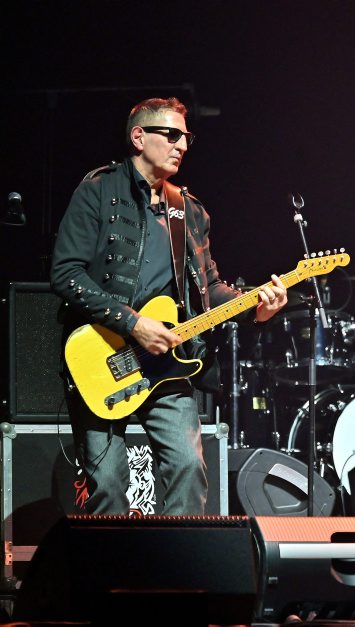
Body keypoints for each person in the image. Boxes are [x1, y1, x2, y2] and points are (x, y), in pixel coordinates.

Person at [50, 97, 288, 515]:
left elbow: (208, 289)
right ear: (138, 137)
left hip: (168, 363)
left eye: (186, 138)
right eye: (173, 135)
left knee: (188, 468)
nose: (182, 145)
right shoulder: (98, 191)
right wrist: (133, 324)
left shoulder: (189, 211)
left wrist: (256, 307)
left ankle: (177, 558)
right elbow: (66, 273)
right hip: (105, 356)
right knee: (107, 483)